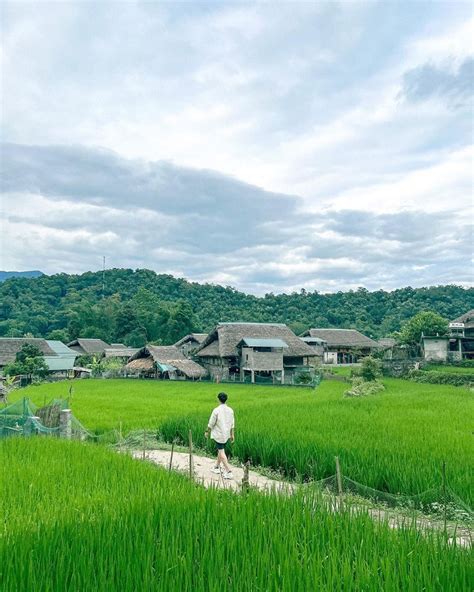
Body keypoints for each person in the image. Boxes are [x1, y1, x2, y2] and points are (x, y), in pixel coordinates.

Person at [205, 392, 235, 479]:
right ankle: (216, 467)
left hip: (219, 434)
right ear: (226, 399)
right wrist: (232, 434)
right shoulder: (230, 410)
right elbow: (232, 423)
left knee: (221, 452)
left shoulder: (216, 410)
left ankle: (228, 471)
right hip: (226, 434)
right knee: (220, 450)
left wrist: (207, 431)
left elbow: (211, 423)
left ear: (218, 399)